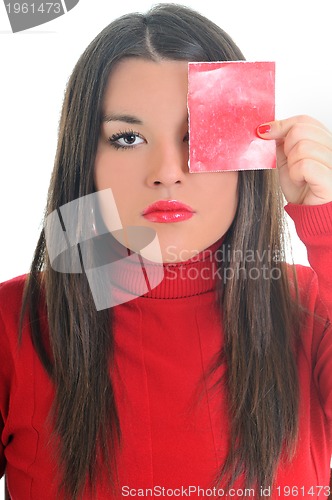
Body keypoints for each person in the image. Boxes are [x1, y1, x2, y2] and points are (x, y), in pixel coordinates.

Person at [1, 3, 332, 499]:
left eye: (196, 136)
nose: (167, 171)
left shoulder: (311, 307)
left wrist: (326, 229)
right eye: (128, 137)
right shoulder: (13, 322)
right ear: (85, 159)